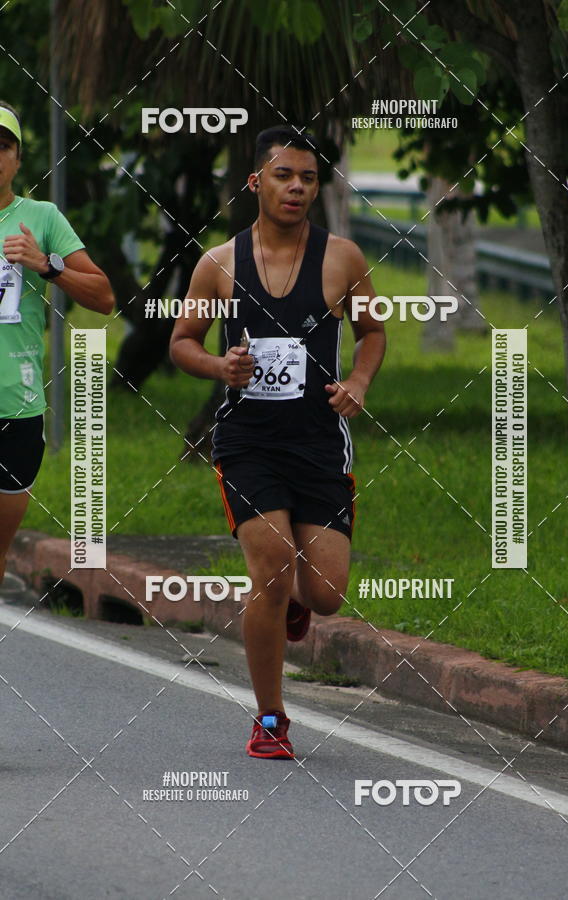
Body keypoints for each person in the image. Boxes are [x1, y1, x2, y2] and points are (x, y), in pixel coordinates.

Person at [170, 125, 385, 759]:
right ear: (255, 181)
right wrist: (219, 368)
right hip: (248, 443)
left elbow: (373, 332)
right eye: (284, 175)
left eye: (309, 178)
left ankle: (298, 599)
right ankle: (270, 719)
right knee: (269, 567)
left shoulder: (342, 257)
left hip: (319, 442)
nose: (297, 187)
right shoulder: (219, 263)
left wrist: (359, 382)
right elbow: (181, 343)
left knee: (324, 593)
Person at [0, 100, 115, 583]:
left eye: (2, 146)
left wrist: (47, 265)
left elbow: (104, 296)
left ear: (18, 158)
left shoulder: (41, 218)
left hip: (17, 407)